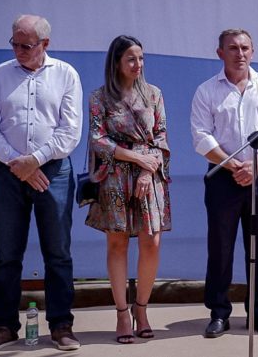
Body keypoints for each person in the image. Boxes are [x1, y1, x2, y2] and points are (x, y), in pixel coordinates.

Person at [0, 14, 83, 351]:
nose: (18, 50)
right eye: (14, 43)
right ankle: (4, 326)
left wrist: (35, 160)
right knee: (7, 253)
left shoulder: (66, 75)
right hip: (7, 173)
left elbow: (70, 130)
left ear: (45, 44)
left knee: (57, 252)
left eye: (26, 45)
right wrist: (19, 164)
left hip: (53, 172)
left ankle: (61, 325)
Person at [191, 29, 258, 337]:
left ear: (253, 52)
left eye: (245, 47)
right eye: (233, 48)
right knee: (220, 246)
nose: (240, 53)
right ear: (220, 53)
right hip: (223, 177)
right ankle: (219, 312)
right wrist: (233, 165)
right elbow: (201, 137)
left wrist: (256, 165)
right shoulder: (207, 91)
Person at [84, 35, 171, 343]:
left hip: (150, 176)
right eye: (131, 59)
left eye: (141, 58)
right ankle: (122, 313)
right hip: (115, 177)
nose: (138, 65)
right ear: (117, 63)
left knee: (152, 241)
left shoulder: (154, 94)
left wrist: (149, 169)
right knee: (117, 244)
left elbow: (161, 137)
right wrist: (136, 157)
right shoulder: (99, 97)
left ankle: (142, 308)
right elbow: (97, 139)